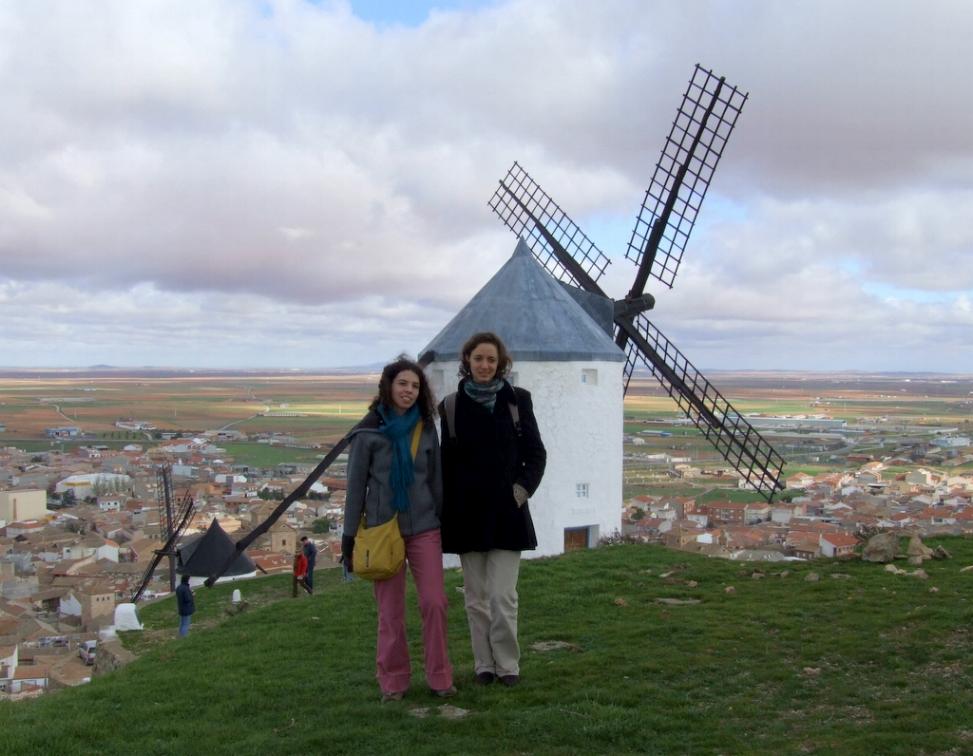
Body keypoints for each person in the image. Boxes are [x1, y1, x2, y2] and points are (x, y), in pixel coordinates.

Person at [341, 356, 455, 702]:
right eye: (402, 383)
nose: (409, 390)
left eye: (415, 386)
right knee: (390, 613)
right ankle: (393, 681)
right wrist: (349, 537)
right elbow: (355, 488)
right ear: (388, 386)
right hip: (383, 530)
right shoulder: (367, 432)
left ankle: (440, 677)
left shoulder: (426, 427)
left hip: (424, 526)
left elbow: (435, 479)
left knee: (434, 602)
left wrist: (442, 520)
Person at [439, 332, 546, 688]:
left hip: (507, 513)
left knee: (502, 595)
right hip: (467, 514)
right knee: (476, 598)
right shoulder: (450, 406)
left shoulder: (517, 400)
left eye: (491, 359)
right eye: (478, 359)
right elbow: (446, 464)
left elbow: (536, 453)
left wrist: (521, 491)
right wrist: (447, 509)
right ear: (467, 361)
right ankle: (483, 664)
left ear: (500, 364)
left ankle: (507, 664)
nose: (484, 365)